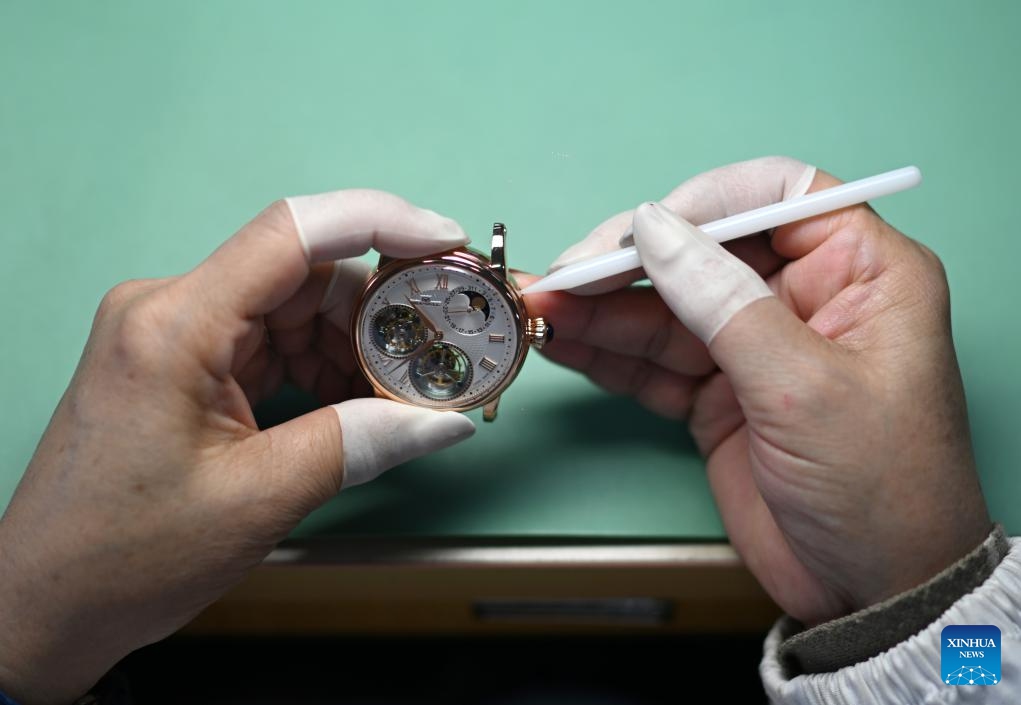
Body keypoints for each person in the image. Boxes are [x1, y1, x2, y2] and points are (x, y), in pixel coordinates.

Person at [0, 157, 1017, 704]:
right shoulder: (984, 660)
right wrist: (927, 597)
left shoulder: (987, 661)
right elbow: (984, 677)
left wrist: (28, 652)